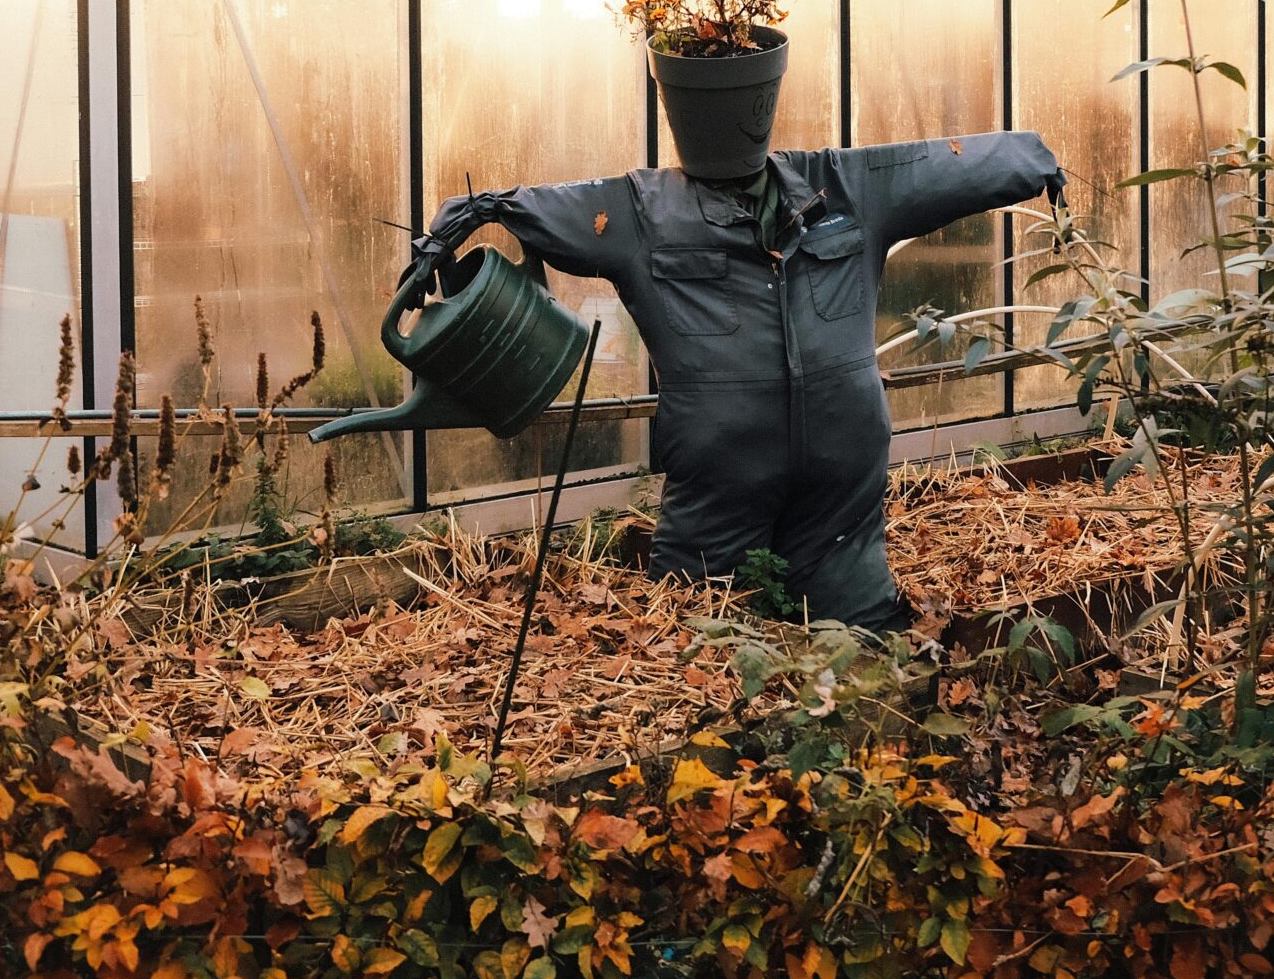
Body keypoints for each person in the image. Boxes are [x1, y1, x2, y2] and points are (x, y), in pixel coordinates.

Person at [402, 132, 1065, 631]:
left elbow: (946, 167)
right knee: (706, 639)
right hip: (722, 485)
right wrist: (477, 211)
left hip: (838, 484)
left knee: (856, 637)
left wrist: (1032, 159)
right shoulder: (645, 209)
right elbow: (560, 211)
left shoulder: (840, 184)